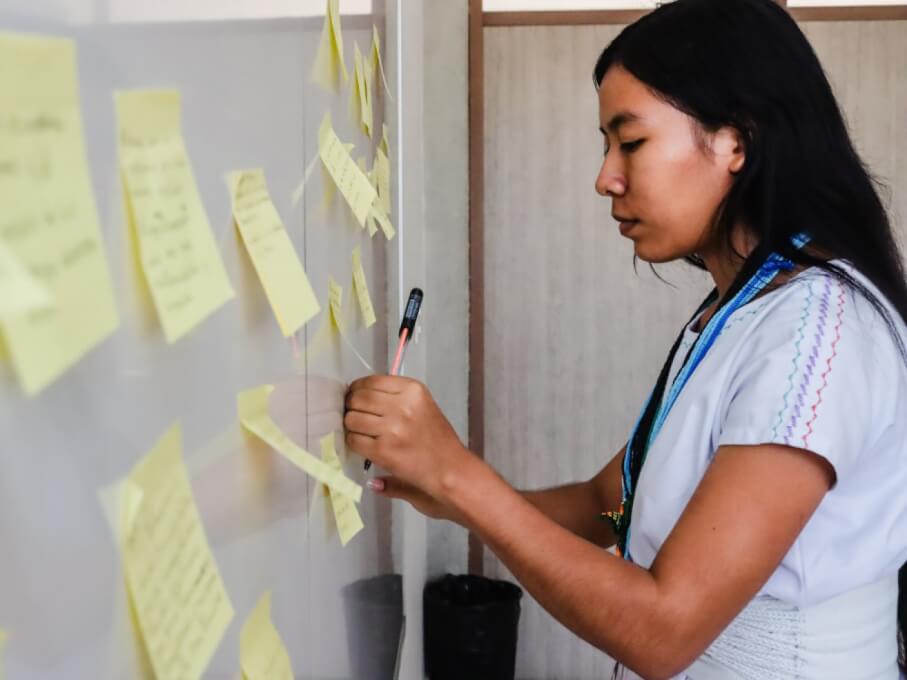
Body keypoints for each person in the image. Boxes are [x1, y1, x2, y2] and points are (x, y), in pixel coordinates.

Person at [343, 0, 907, 677]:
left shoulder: (818, 334)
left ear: (736, 142)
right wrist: (457, 491)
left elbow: (662, 633)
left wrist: (459, 480)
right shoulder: (740, 309)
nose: (605, 177)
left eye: (630, 142)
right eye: (606, 146)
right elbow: (607, 504)